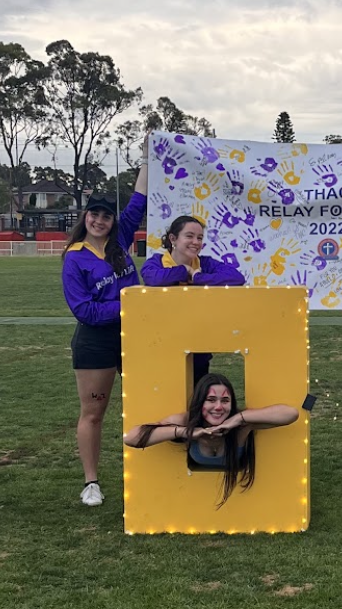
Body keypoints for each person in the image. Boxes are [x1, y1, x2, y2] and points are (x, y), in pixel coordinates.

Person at [61, 169, 147, 507]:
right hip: (95, 341)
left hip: (135, 335)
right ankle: (91, 482)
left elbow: (138, 200)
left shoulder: (121, 238)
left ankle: (150, 467)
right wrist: (129, 302)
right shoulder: (74, 256)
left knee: (147, 402)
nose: (100, 220)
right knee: (94, 412)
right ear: (85, 217)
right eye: (94, 214)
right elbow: (84, 311)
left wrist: (144, 160)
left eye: (106, 215)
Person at [123, 372, 299, 507]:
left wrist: (238, 419)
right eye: (211, 400)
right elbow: (131, 438)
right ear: (200, 402)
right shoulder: (186, 421)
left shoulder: (242, 425)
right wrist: (186, 433)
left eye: (225, 401)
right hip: (189, 503)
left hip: (240, 504)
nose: (218, 407)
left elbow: (290, 414)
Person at [139, 214, 245, 381]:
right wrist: (184, 271)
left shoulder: (205, 263)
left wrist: (198, 277)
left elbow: (236, 277)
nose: (196, 242)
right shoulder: (157, 262)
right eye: (189, 236)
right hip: (163, 342)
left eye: (200, 238)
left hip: (198, 341)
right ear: (173, 238)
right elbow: (152, 277)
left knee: (197, 395)